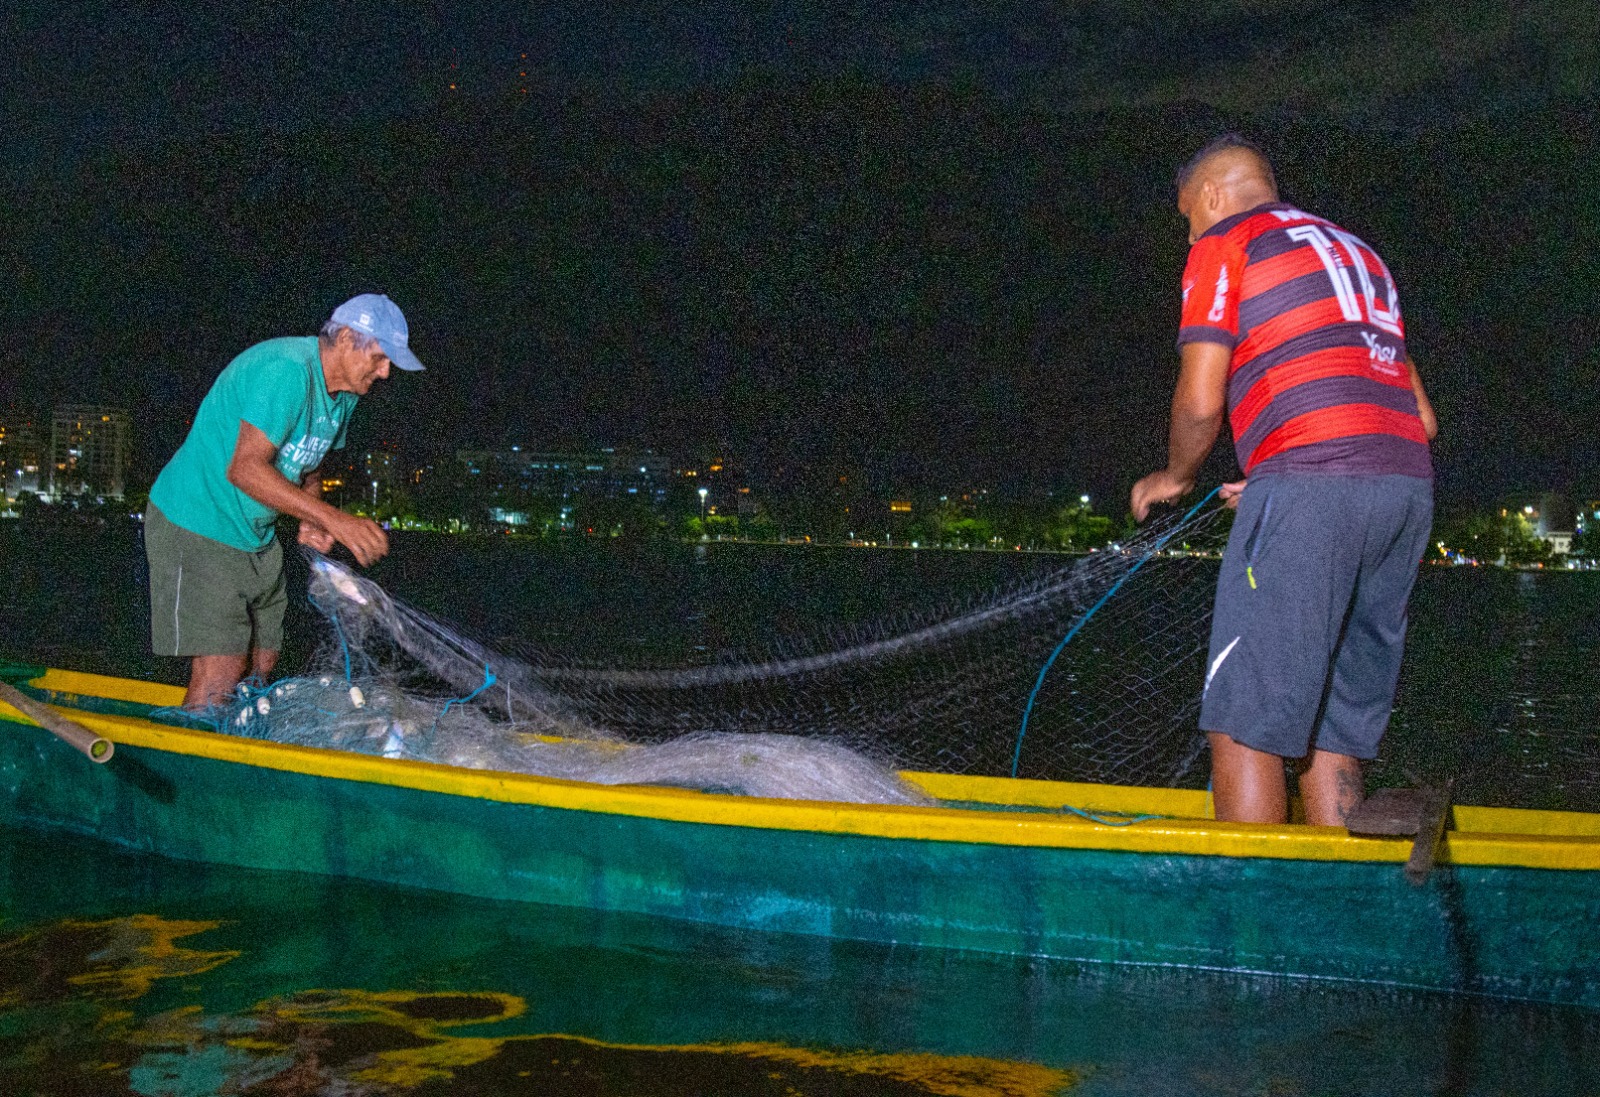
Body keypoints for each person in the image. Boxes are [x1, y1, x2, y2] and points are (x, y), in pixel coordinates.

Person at [1130, 135, 1438, 827]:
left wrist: (1175, 477)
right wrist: (1277, 482)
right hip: (1403, 491)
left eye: (1185, 217)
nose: (1188, 233)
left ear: (1208, 196)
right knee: (1337, 726)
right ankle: (1338, 904)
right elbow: (1421, 414)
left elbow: (1202, 399)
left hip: (1312, 484)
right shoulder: (1359, 254)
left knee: (1244, 724)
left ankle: (1255, 917)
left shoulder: (1226, 242)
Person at [144, 294, 425, 710]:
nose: (384, 373)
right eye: (381, 358)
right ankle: (194, 759)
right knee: (222, 669)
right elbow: (245, 470)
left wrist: (313, 521)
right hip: (198, 522)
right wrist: (337, 519)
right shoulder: (287, 372)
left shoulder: (343, 397)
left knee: (264, 658)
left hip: (254, 534)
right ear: (346, 339)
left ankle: (233, 741)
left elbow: (310, 465)